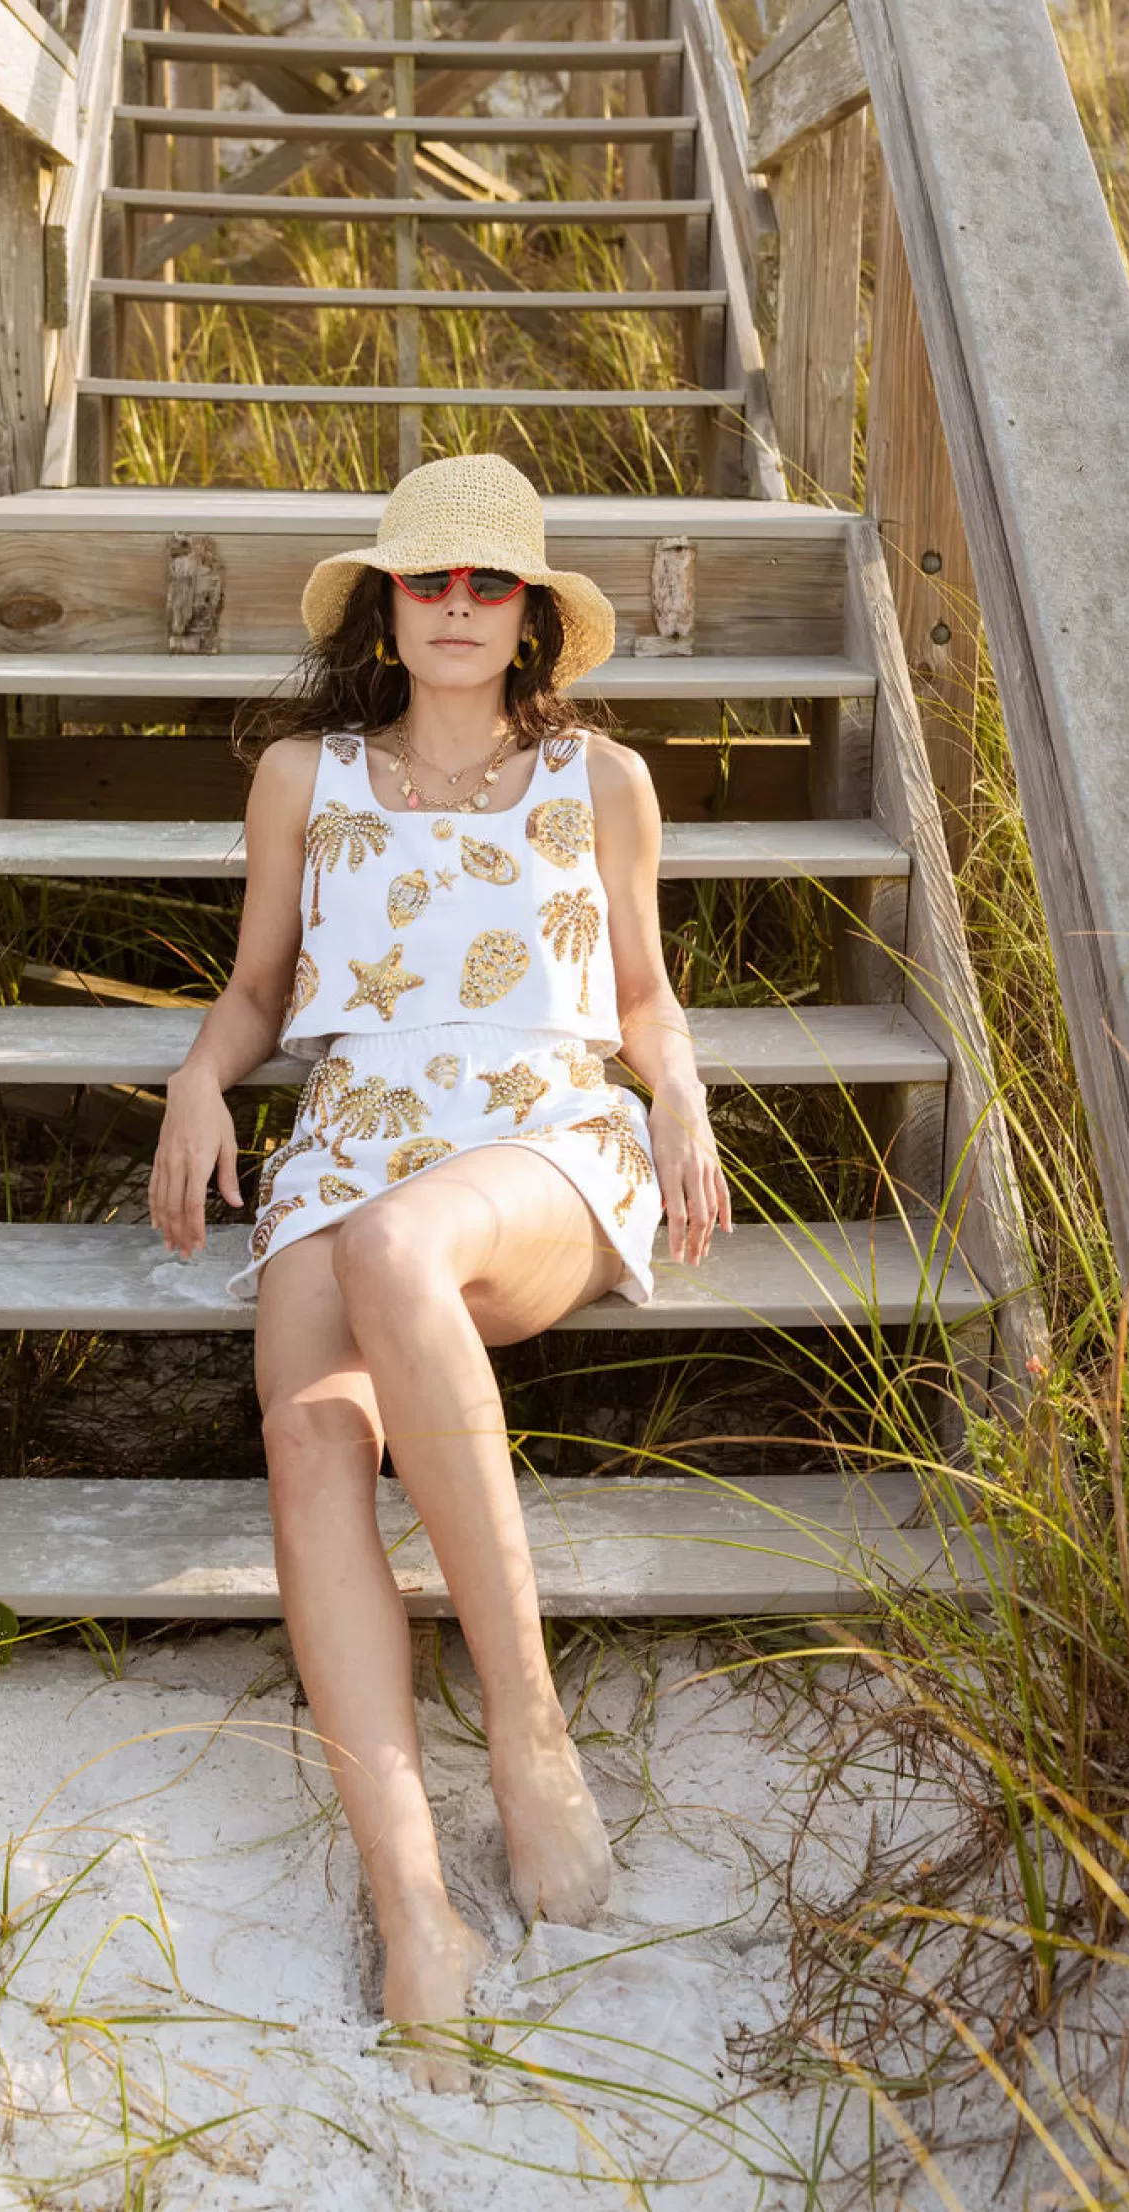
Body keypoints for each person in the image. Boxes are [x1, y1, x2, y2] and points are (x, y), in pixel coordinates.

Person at [149, 452, 730, 2090]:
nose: (461, 608)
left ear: (532, 612)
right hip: (351, 1131)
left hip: (541, 1136)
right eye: (431, 582)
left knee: (405, 1248)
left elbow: (642, 993)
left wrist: (678, 1097)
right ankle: (415, 1900)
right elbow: (264, 990)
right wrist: (200, 1075)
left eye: (491, 584)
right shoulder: (303, 775)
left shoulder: (601, 780)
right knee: (313, 1434)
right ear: (388, 608)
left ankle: (530, 1734)